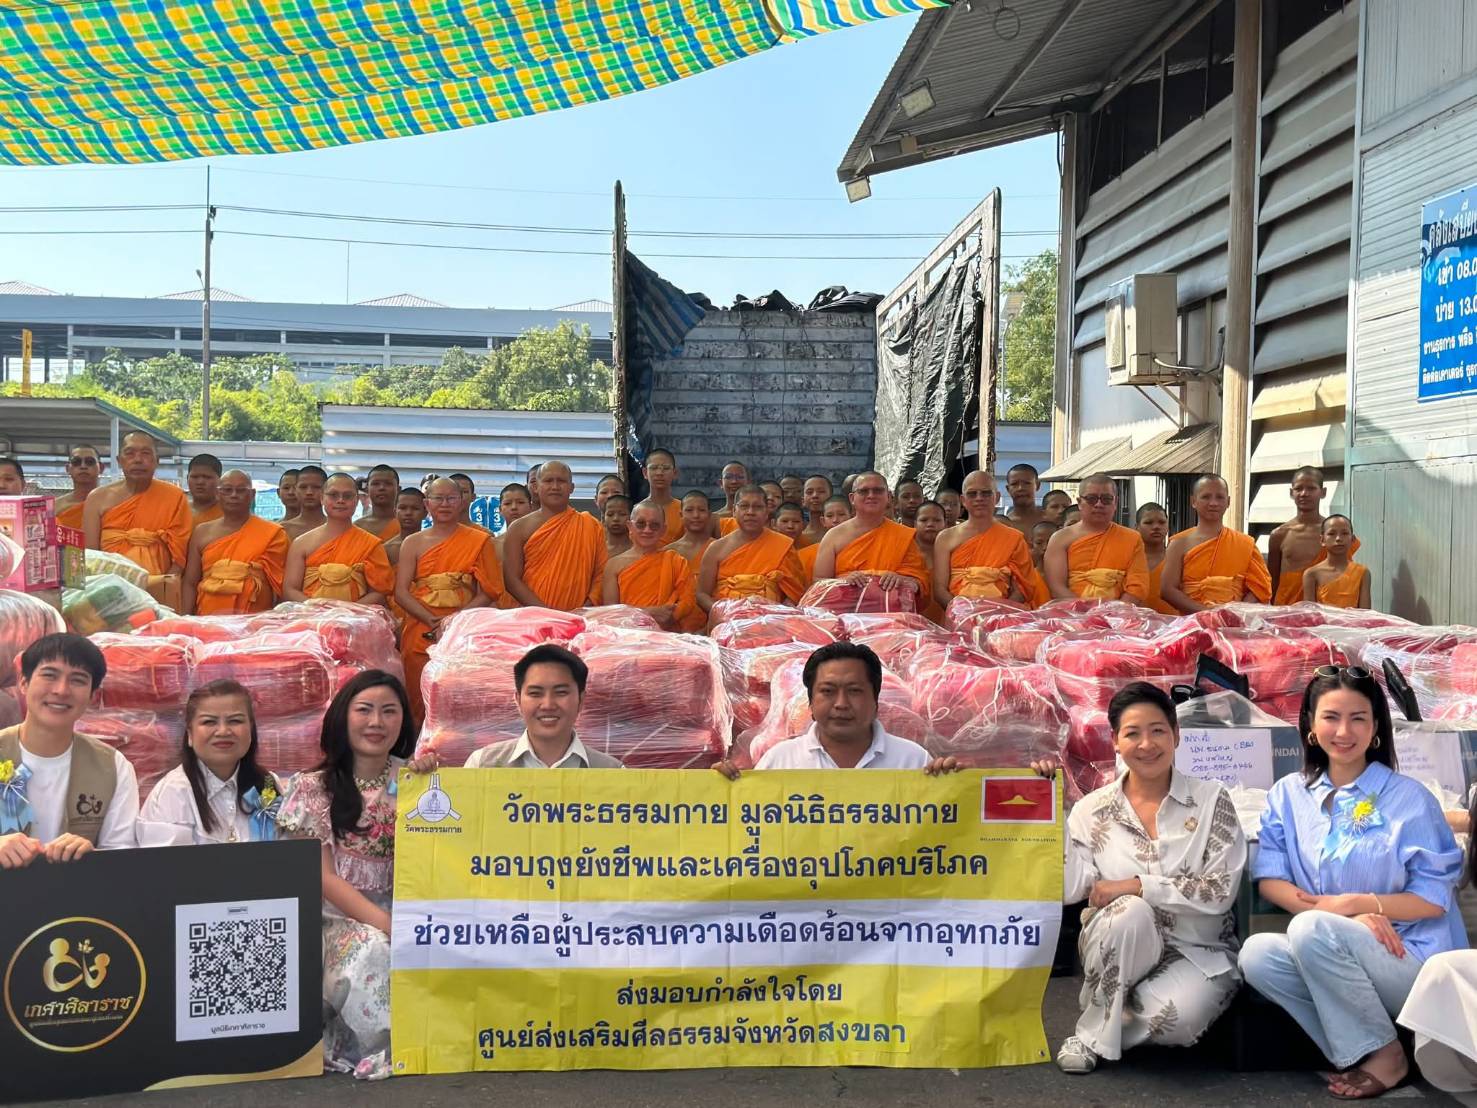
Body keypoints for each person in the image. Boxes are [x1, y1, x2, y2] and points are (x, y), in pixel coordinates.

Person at [1239, 666, 1465, 1099]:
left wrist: (1361, 905)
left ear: (1376, 727)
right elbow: (1271, 879)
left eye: (1358, 718)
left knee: (1310, 929)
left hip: (1411, 959)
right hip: (1334, 945)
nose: (1344, 731)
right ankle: (1375, 1044)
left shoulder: (1409, 799)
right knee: (1258, 955)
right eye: (1331, 717)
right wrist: (1342, 917)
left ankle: (1384, 1056)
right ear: (1309, 723)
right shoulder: (1289, 793)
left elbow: (1433, 899)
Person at [1033, 682, 1246, 1075]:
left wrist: (1139, 884)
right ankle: (1094, 1029)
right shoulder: (1090, 810)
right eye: (1132, 733)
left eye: (1158, 730)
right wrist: (1050, 812)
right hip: (1119, 939)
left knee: (1176, 1023)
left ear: (1176, 735)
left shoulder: (1212, 799)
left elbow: (1218, 891)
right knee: (1129, 912)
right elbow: (1068, 889)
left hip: (1197, 951)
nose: (1146, 744)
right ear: (1115, 741)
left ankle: (1109, 1007)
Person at [277, 670, 415, 1080]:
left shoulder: (416, 782)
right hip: (335, 916)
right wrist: (386, 923)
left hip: (405, 905)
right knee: (373, 946)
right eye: (365, 710)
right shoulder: (312, 787)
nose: (377, 722)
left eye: (389, 712)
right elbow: (323, 877)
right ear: (342, 717)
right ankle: (392, 1047)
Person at [0, 633, 138, 868]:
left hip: (78, 900)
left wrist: (92, 855)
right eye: (49, 675)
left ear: (92, 696)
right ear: (23, 682)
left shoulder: (113, 766)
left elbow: (121, 856)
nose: (61, 690)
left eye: (78, 680)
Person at [721, 643, 931, 772]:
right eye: (828, 691)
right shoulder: (780, 761)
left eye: (854, 691)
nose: (841, 704)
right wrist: (722, 791)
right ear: (811, 702)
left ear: (875, 700)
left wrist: (952, 785)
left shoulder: (913, 760)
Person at [396, 477, 504, 717]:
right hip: (421, 627)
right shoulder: (412, 543)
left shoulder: (480, 540)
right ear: (427, 503)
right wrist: (431, 620)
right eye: (438, 498)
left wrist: (453, 621)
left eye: (451, 498)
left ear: (462, 502)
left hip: (463, 629)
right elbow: (401, 592)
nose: (445, 504)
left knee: (460, 697)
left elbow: (490, 590)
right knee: (418, 697)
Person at [138, 680, 283, 846]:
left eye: (235, 721)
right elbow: (168, 868)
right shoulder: (173, 793)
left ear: (251, 730)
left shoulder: (268, 784)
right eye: (209, 722)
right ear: (190, 735)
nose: (223, 731)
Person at [464, 645, 622, 768]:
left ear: (581, 700)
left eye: (561, 692)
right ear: (518, 700)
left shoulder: (613, 772)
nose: (548, 705)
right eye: (535, 693)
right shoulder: (481, 764)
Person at [84, 431, 192, 607]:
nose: (138, 459)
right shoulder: (97, 498)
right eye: (130, 453)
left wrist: (162, 587)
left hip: (159, 590)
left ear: (157, 461)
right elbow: (91, 556)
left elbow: (180, 556)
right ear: (119, 461)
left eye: (145, 453)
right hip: (108, 591)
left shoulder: (175, 497)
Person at [812, 471, 931, 610]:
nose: (871, 495)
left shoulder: (903, 535)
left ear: (888, 497)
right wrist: (843, 582)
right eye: (863, 491)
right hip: (844, 616)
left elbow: (920, 582)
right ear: (852, 498)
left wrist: (901, 579)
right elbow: (818, 583)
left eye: (878, 491)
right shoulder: (834, 536)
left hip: (891, 619)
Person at [503, 460, 607, 611]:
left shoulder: (591, 525)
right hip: (533, 617)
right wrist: (546, 613)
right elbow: (511, 580)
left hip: (579, 617)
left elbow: (601, 575)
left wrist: (583, 610)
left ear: (571, 488)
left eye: (561, 481)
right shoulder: (519, 528)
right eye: (548, 481)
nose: (555, 487)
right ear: (536, 487)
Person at [182, 469, 288, 615]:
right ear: (218, 494)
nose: (234, 495)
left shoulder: (273, 533)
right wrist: (186, 617)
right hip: (208, 616)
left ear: (252, 495)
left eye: (241, 490)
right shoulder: (202, 532)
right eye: (227, 490)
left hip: (254, 619)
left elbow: (279, 586)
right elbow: (190, 582)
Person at [1160, 474, 1272, 611]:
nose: (1213, 503)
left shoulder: (1245, 543)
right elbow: (1167, 590)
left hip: (1234, 625)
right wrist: (1206, 614)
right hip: (1192, 623)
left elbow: (1259, 587)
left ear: (1228, 501)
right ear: (1193, 501)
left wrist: (1235, 612)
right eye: (1206, 497)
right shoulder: (1179, 544)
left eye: (1220, 497)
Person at [932, 472, 1045, 607]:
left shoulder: (1014, 538)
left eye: (986, 493)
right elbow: (939, 590)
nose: (979, 498)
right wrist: (961, 612)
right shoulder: (946, 538)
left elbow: (1022, 588)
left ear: (996, 497)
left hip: (1001, 618)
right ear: (963, 500)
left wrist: (997, 613)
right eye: (972, 494)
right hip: (958, 616)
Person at [285, 472, 395, 606]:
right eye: (333, 495)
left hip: (355, 620)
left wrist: (347, 611)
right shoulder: (301, 543)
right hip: (311, 619)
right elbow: (290, 589)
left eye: (347, 496)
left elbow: (379, 592)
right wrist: (315, 608)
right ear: (321, 499)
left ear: (356, 501)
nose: (340, 500)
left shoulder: (371, 544)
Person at [697, 484, 806, 616]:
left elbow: (795, 593)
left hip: (772, 621)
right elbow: (702, 595)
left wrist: (777, 614)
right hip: (727, 621)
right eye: (744, 506)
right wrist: (724, 612)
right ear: (733, 511)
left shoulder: (783, 545)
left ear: (767, 513)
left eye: (757, 507)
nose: (750, 512)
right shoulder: (716, 549)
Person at [1043, 474, 1149, 603]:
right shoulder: (1060, 539)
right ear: (1080, 502)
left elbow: (1137, 587)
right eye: (1091, 499)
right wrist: (1086, 612)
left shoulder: (1132, 538)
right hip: (1072, 615)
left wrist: (1115, 613)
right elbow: (1057, 587)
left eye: (1106, 499)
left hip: (1119, 617)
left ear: (1115, 503)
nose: (1099, 504)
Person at [601, 500, 700, 632]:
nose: (647, 530)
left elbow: (688, 600)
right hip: (628, 636)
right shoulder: (614, 565)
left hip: (667, 636)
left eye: (654, 525)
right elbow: (611, 613)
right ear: (630, 526)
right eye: (641, 524)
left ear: (663, 530)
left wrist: (671, 615)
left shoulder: (675, 561)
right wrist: (649, 612)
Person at [1270, 467, 1356, 606]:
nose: (1304, 493)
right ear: (1291, 493)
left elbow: (1345, 576)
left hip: (1327, 611)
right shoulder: (1279, 534)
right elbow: (1272, 582)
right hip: (1288, 613)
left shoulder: (1335, 533)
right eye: (1298, 488)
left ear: (1323, 492)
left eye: (1311, 488)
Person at [1304, 515, 1370, 609]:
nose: (1338, 538)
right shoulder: (1311, 574)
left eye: (1345, 533)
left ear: (1353, 539)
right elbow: (1311, 614)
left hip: (1354, 623)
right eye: (1331, 534)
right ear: (1322, 540)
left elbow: (1365, 614)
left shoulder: (1362, 572)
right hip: (1323, 624)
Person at [798, 495, 852, 585]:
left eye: (841, 514)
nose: (835, 520)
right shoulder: (805, 554)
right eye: (830, 516)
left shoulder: (861, 546)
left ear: (852, 516)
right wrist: (843, 580)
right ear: (823, 521)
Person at [1136, 503, 1177, 615]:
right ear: (1137, 527)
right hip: (1135, 626)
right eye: (1149, 523)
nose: (1156, 527)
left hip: (1172, 626)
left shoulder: (1177, 560)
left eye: (1162, 522)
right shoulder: (1128, 559)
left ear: (1168, 526)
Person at [666, 490, 715, 582]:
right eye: (689, 510)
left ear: (709, 515)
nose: (696, 515)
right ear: (681, 515)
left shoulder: (720, 548)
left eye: (701, 510)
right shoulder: (669, 552)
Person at [52, 444, 105, 530]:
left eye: (90, 462)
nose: (83, 466)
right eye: (76, 462)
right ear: (67, 469)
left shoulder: (114, 504)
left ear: (101, 468)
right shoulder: (55, 508)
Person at [640, 449, 685, 543]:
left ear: (675, 473)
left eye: (666, 468)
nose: (659, 473)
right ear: (645, 473)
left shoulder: (684, 510)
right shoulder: (637, 510)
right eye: (654, 468)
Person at [354, 464, 402, 542]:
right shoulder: (358, 527)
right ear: (367, 489)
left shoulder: (407, 523)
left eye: (388, 483)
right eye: (376, 484)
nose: (381, 488)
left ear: (398, 489)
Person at [281, 465, 328, 542]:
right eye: (303, 487)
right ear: (296, 490)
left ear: (326, 490)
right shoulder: (283, 530)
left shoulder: (337, 528)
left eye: (316, 487)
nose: (309, 492)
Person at [383, 488, 427, 567]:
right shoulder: (387, 550)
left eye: (415, 508)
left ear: (425, 513)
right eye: (403, 508)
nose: (408, 513)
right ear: (395, 512)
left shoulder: (433, 546)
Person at [494, 482, 534, 558]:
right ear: (500, 509)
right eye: (507, 503)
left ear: (531, 507)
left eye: (520, 502)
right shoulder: (493, 544)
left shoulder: (542, 539)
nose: (514, 507)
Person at [1002, 463, 1044, 535]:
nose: (1020, 488)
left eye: (1027, 483)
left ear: (1037, 485)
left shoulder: (1051, 519)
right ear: (1008, 489)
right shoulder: (1004, 525)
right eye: (1014, 484)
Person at [713, 461, 749, 535]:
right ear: (721, 483)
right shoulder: (714, 518)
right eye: (728, 477)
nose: (734, 481)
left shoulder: (755, 515)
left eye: (740, 477)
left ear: (748, 482)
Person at [186, 453, 223, 524]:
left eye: (207, 477)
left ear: (220, 480)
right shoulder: (177, 511)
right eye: (195, 477)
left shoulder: (229, 514)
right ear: (187, 478)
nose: (200, 482)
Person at [800, 475, 833, 546]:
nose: (815, 495)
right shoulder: (798, 536)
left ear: (831, 497)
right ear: (803, 501)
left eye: (821, 491)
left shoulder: (842, 532)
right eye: (809, 492)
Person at [601, 494, 633, 558]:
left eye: (622, 514)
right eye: (610, 514)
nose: (616, 519)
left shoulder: (640, 549)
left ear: (632, 518)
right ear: (603, 519)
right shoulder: (597, 550)